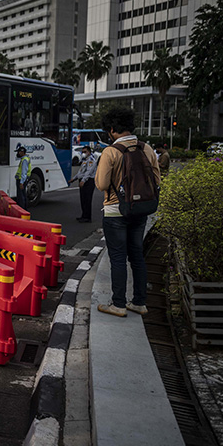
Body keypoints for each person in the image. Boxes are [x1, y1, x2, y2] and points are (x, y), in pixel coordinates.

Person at [95, 107, 160, 317]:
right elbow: (157, 181)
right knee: (137, 257)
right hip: (140, 212)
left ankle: (119, 304)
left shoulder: (111, 151)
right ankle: (139, 303)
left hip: (115, 212)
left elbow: (102, 184)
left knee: (117, 258)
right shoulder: (147, 149)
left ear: (112, 129)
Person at [69, 146, 98, 222]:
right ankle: (83, 215)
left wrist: (83, 180)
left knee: (87, 200)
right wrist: (74, 178)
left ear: (89, 152)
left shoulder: (91, 160)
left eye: (85, 152)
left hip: (88, 182)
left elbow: (89, 172)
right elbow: (81, 172)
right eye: (83, 152)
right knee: (83, 200)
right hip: (83, 181)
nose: (83, 153)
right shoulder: (85, 160)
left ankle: (87, 217)